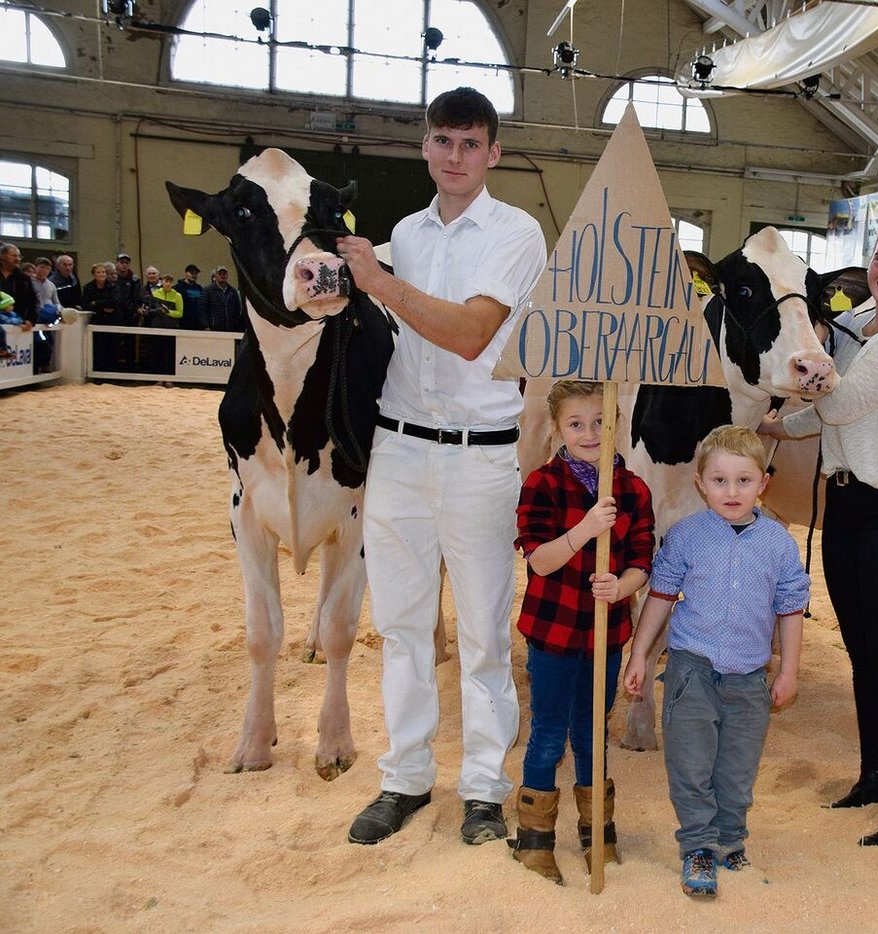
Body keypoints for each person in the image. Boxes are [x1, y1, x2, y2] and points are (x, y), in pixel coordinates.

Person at [337, 86, 546, 848]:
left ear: (492, 153)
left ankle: (485, 791)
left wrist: (379, 283)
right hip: (398, 448)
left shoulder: (517, 232)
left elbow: (469, 334)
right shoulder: (404, 232)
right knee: (400, 627)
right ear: (424, 147)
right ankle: (406, 778)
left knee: (486, 633)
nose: (455, 157)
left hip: (480, 458)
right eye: (443, 141)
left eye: (470, 143)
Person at [759, 218, 878, 848]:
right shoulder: (856, 321)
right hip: (845, 504)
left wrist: (778, 417)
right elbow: (815, 398)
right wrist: (777, 421)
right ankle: (875, 774)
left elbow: (837, 405)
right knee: (862, 651)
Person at [623, 425, 808, 897]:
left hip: (749, 677)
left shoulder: (780, 545)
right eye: (720, 480)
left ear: (763, 483)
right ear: (701, 483)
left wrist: (787, 669)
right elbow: (660, 598)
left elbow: (789, 609)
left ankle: (730, 838)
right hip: (691, 671)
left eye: (744, 480)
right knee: (690, 764)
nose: (732, 491)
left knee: (737, 768)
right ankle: (699, 847)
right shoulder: (686, 537)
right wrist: (640, 654)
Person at [509, 380, 655, 885]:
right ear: (556, 429)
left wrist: (622, 588)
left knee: (593, 730)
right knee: (549, 732)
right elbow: (541, 561)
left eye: (599, 421)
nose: (590, 433)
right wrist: (587, 528)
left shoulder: (633, 489)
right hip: (552, 631)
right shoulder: (542, 485)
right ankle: (534, 839)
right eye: (576, 424)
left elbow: (642, 561)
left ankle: (598, 831)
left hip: (605, 632)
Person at [205, 266, 244, 332]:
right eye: (220, 274)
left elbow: (237, 309)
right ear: (216, 276)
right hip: (214, 327)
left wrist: (236, 325)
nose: (222, 276)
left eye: (224, 274)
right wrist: (206, 325)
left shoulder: (233, 291)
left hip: (230, 328)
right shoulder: (208, 290)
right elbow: (203, 309)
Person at [174, 264, 207, 330]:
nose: (194, 275)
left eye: (196, 273)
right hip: (183, 323)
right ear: (186, 273)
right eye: (191, 273)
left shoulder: (199, 288)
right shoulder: (178, 287)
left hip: (198, 324)